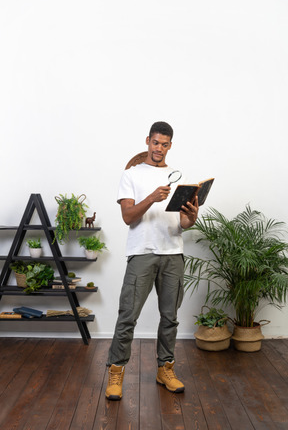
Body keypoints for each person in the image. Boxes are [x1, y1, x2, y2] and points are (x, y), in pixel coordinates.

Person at [105, 121, 199, 400]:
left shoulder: (176, 176)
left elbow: (180, 222)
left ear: (170, 145)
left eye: (165, 144)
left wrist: (190, 219)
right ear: (148, 141)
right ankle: (116, 371)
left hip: (173, 253)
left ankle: (165, 369)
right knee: (127, 316)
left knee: (170, 318)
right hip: (142, 254)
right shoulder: (131, 175)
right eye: (155, 142)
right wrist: (152, 197)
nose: (159, 148)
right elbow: (128, 217)